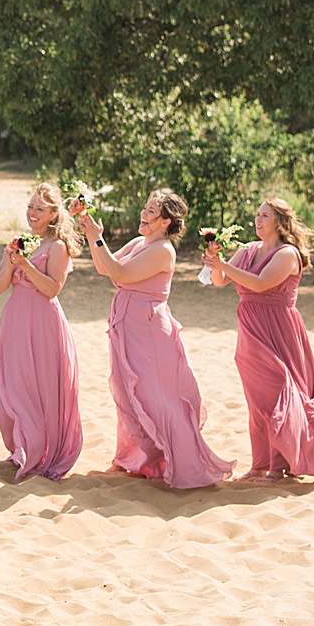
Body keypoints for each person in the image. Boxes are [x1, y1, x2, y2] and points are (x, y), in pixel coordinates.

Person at [76, 188, 235, 488]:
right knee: (128, 392)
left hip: (148, 330)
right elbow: (103, 266)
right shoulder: (139, 242)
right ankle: (134, 458)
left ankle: (178, 460)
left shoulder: (164, 250)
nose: (143, 215)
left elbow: (120, 273)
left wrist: (98, 238)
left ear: (166, 221)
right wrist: (89, 227)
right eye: (145, 208)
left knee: (157, 397)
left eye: (151, 212)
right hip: (127, 323)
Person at [204, 197, 314, 483]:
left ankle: (279, 467)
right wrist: (215, 261)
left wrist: (223, 265)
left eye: (264, 215)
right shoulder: (248, 250)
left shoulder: (287, 254)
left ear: (278, 221)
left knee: (278, 393)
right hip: (250, 329)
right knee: (256, 399)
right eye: (257, 215)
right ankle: (259, 464)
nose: (258, 220)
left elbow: (261, 283)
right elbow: (218, 281)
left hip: (279, 329)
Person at [0, 183, 83, 481]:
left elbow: (52, 289)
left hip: (42, 323)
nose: (32, 213)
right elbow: (0, 287)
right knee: (13, 385)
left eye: (39, 209)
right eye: (30, 206)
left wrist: (26, 266)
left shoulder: (57, 247)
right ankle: (22, 446)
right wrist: (9, 258)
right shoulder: (20, 242)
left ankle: (39, 451)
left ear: (54, 214)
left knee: (38, 388)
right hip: (15, 320)